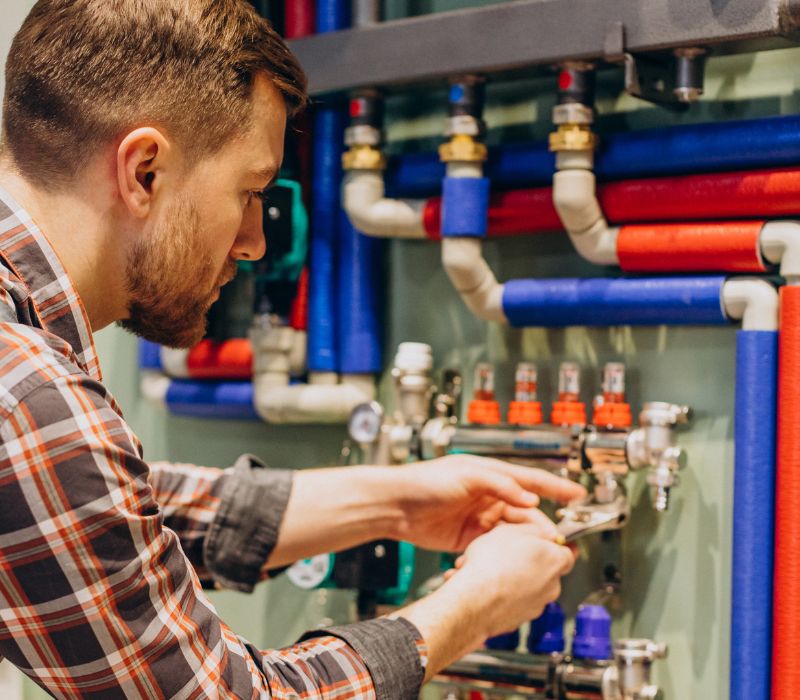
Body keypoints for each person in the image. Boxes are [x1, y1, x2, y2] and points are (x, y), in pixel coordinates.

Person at [0, 1, 584, 697]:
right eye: (250, 192)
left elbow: (96, 522)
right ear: (145, 171)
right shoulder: (30, 392)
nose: (255, 242)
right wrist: (472, 607)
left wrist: (395, 501)